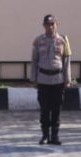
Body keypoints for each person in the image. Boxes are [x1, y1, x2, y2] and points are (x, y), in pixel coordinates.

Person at [29, 14, 72, 145]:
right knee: (44, 109)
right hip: (43, 80)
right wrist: (34, 79)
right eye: (48, 24)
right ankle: (45, 135)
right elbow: (34, 61)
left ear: (56, 25)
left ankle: (55, 135)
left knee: (56, 109)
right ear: (44, 26)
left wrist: (68, 79)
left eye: (53, 24)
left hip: (58, 79)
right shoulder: (38, 41)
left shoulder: (63, 40)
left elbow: (66, 61)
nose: (50, 27)